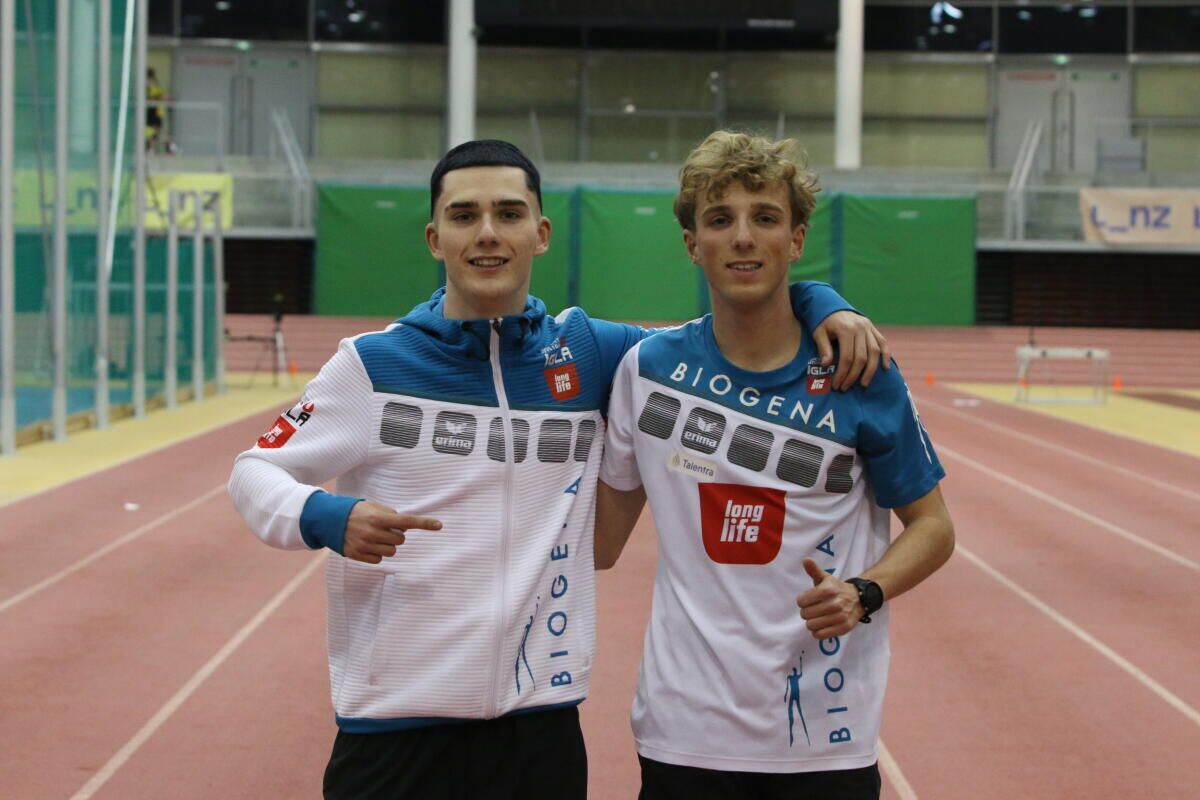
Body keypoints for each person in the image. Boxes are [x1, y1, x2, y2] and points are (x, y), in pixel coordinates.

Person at [228, 139, 889, 799]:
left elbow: (726, 331)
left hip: (539, 732)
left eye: (509, 214)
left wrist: (817, 301)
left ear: (540, 233)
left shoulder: (591, 352)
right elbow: (255, 470)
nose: (488, 233)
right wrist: (325, 515)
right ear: (435, 238)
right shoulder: (371, 367)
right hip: (394, 732)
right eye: (464, 216)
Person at [595, 131, 955, 799]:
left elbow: (934, 527)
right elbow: (599, 544)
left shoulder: (858, 372)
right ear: (691, 243)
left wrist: (864, 591)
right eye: (719, 220)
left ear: (795, 240)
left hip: (824, 740)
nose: (742, 238)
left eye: (764, 218)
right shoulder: (646, 371)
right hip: (683, 733)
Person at [145, 68, 166, 152]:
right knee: (153, 131)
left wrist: (156, 98)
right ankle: (151, 149)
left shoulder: (154, 85)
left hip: (156, 111)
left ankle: (152, 149)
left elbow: (161, 96)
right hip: (152, 110)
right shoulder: (151, 85)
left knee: (156, 131)